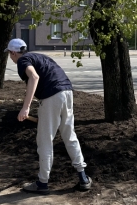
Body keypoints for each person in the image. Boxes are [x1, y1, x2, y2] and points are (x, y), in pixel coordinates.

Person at [5, 38, 92, 194]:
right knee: (69, 135)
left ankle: (42, 183)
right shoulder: (38, 56)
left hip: (51, 96)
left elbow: (34, 77)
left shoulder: (23, 60)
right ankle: (83, 178)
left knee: (45, 140)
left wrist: (25, 108)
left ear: (13, 52)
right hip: (67, 91)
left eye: (10, 54)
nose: (10, 58)